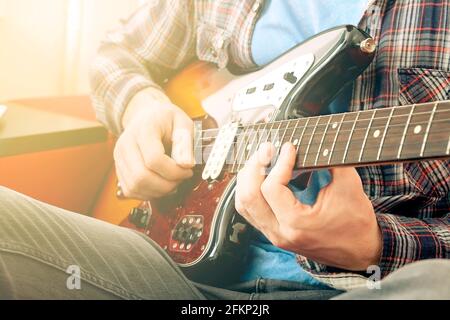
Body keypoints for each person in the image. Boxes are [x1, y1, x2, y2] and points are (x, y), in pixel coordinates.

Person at [0, 0, 449, 300]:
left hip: (362, 289)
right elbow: (119, 52)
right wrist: (140, 107)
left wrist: (374, 246)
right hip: (169, 270)